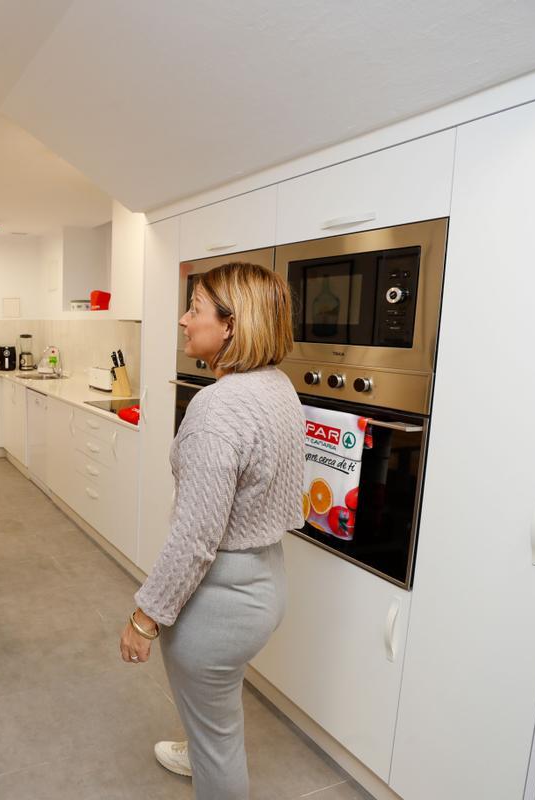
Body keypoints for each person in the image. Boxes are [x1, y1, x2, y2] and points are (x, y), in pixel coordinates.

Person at [118, 262, 303, 799]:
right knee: (216, 710)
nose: (182, 319)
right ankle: (199, 744)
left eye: (194, 308)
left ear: (231, 325)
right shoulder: (276, 387)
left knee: (218, 742)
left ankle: (210, 763)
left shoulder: (217, 408)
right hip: (266, 582)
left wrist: (144, 618)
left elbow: (196, 540)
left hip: (219, 601)